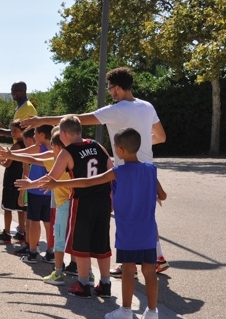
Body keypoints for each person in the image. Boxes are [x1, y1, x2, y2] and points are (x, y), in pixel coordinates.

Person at [23, 67, 168, 275]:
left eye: (110, 89)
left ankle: (129, 262)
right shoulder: (148, 107)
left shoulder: (115, 110)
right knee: (146, 214)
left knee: (124, 216)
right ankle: (157, 256)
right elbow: (161, 136)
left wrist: (42, 120)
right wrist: (141, 143)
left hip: (124, 172)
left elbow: (76, 119)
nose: (110, 93)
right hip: (147, 169)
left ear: (118, 89)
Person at [41, 128, 167, 319]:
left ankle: (126, 312)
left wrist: (57, 183)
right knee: (150, 271)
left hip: (128, 230)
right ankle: (152, 314)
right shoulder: (151, 169)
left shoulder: (117, 171)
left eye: (115, 147)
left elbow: (88, 181)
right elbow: (163, 195)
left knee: (128, 270)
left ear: (121, 149)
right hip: (148, 230)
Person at [0, 128, 78, 285]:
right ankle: (78, 269)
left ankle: (45, 261)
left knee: (47, 228)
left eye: (36, 133)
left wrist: (29, 184)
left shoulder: (55, 155)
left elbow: (34, 160)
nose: (34, 136)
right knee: (70, 233)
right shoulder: (69, 154)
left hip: (53, 197)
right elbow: (35, 159)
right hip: (69, 199)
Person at [38, 115, 114, 298]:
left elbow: (52, 179)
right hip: (103, 201)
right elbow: (112, 170)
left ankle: (83, 283)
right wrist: (111, 198)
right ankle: (105, 283)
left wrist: (30, 185)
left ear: (63, 133)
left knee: (81, 244)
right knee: (102, 243)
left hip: (81, 202)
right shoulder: (97, 145)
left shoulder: (67, 152)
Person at [7, 125, 55, 263]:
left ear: (41, 135)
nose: (34, 137)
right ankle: (50, 253)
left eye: (35, 133)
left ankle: (33, 253)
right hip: (51, 191)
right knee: (49, 223)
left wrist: (8, 155)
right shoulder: (57, 148)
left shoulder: (39, 147)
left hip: (35, 190)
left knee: (33, 222)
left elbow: (24, 153)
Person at [0, 120, 27, 244]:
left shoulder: (17, 146)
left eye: (16, 131)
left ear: (23, 131)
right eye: (11, 130)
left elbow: (8, 164)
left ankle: (6, 232)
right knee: (21, 208)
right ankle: (22, 231)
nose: (13, 133)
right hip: (20, 177)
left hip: (11, 178)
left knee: (7, 208)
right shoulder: (27, 145)